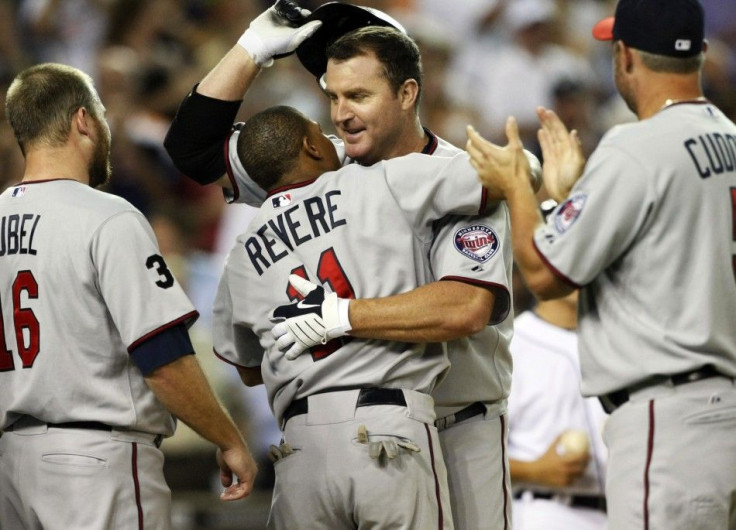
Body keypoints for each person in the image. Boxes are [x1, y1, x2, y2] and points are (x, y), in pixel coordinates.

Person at [164, 4, 539, 527]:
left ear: (406, 90)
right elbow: (192, 151)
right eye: (332, 94)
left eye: (359, 93)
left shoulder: (453, 178)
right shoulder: (324, 162)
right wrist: (250, 51)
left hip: (460, 422)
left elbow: (465, 309)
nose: (341, 112)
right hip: (364, 430)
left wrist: (343, 315)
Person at [466, 0, 736, 527]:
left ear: (625, 55)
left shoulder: (636, 146)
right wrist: (566, 203)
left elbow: (544, 274)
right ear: (700, 54)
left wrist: (518, 185)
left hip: (669, 418)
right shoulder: (730, 140)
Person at [212, 104, 502, 529]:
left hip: (300, 450)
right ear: (311, 145)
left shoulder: (240, 252)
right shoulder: (375, 180)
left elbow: (248, 368)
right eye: (320, 132)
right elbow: (494, 180)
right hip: (386, 430)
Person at [0, 63, 257, 530]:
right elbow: (161, 357)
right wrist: (229, 438)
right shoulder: (107, 216)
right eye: (99, 116)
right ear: (83, 120)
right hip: (95, 463)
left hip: (11, 466)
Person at [508, 290, 607, 530]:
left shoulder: (619, 340)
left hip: (626, 512)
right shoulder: (511, 346)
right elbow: (473, 455)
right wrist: (534, 471)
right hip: (547, 512)